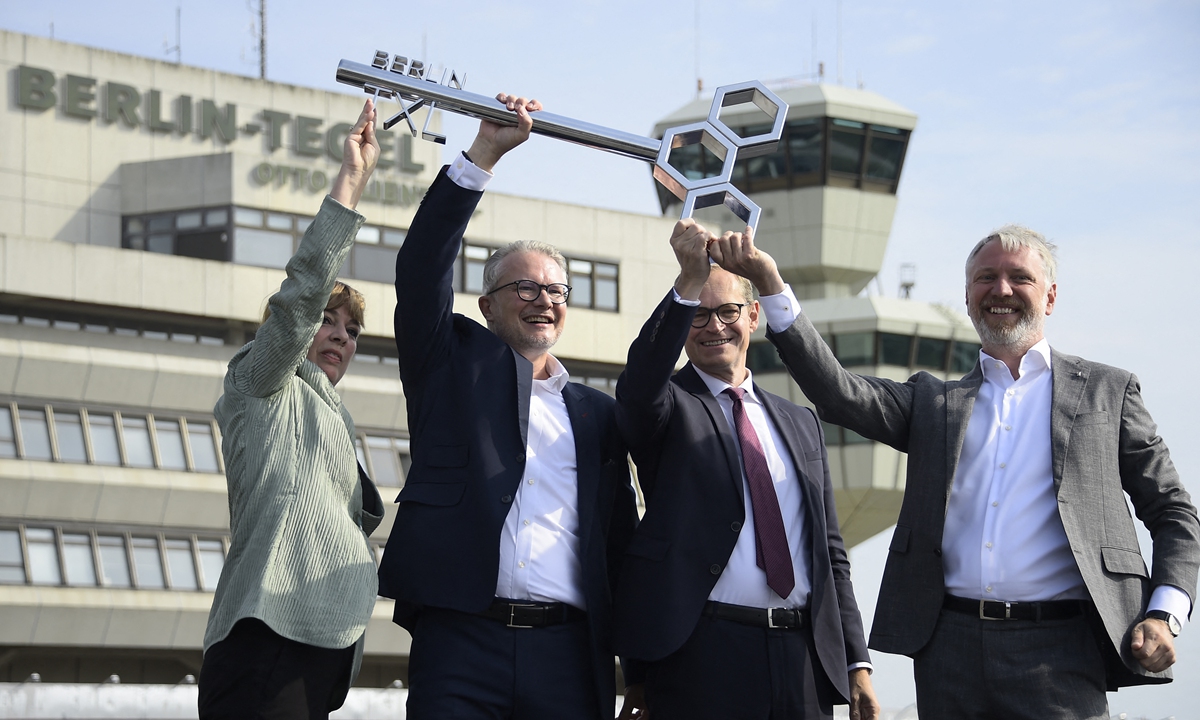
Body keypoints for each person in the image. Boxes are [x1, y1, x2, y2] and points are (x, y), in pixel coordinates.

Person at [749, 223, 1200, 719]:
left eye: (1019, 277)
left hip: (1062, 650)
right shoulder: (933, 403)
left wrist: (1165, 613)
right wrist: (770, 286)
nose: (1001, 289)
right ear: (968, 297)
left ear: (1050, 296)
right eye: (986, 277)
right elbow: (838, 392)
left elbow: (1173, 510)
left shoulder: (1107, 393)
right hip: (949, 650)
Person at [377, 94, 642, 720]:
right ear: (487, 306)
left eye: (556, 290)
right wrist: (483, 156)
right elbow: (420, 272)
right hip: (462, 642)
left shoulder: (598, 416)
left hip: (570, 654)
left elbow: (620, 547)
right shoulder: (450, 372)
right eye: (523, 286)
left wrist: (641, 669)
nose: (542, 299)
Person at [611, 218, 880, 720]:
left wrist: (856, 663)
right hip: (703, 654)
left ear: (754, 316)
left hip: (804, 659)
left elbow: (830, 552)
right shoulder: (667, 406)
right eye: (698, 315)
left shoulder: (800, 423)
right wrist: (686, 284)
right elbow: (639, 384)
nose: (714, 326)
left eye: (728, 311)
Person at [197, 100, 384, 720]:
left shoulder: (335, 417)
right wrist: (350, 183)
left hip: (324, 649)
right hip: (263, 637)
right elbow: (299, 297)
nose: (339, 336)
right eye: (327, 323)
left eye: (352, 330)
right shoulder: (261, 381)